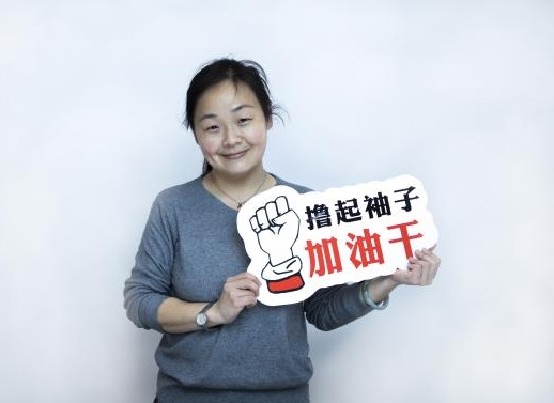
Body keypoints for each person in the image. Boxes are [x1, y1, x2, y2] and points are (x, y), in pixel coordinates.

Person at [123, 58, 441, 403]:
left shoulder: (306, 206)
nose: (231, 139)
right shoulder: (173, 206)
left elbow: (322, 311)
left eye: (243, 120)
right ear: (196, 134)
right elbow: (140, 300)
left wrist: (389, 279)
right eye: (212, 127)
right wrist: (212, 313)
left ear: (268, 119)